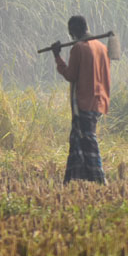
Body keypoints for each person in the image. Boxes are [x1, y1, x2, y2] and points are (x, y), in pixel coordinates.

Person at [50, 15, 109, 185]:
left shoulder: (78, 48)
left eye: (71, 32)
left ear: (74, 31)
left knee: (88, 140)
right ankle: (73, 180)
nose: (70, 36)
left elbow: (70, 75)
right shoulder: (101, 47)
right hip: (98, 101)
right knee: (79, 140)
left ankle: (99, 179)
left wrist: (57, 56)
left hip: (83, 102)